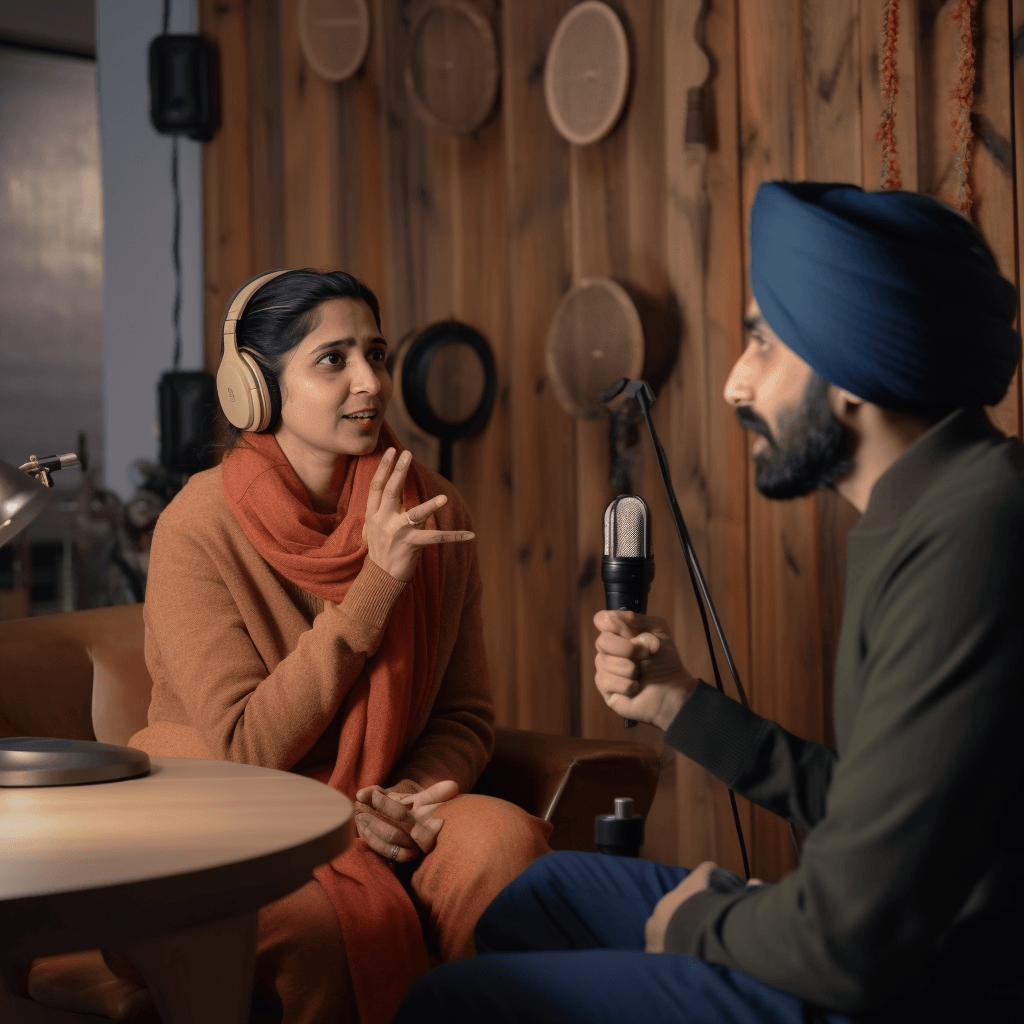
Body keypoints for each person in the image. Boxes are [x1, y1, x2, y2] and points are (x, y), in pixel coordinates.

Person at [393, 183, 1024, 1023]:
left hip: (922, 982)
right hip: (876, 928)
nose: (734, 386)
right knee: (543, 894)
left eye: (763, 342)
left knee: (454, 1001)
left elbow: (854, 939)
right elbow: (877, 803)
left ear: (852, 365)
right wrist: (679, 703)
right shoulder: (934, 508)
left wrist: (699, 925)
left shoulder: (973, 535)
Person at [127, 270, 552, 1024]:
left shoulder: (432, 506)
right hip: (236, 806)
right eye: (333, 360)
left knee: (506, 849)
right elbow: (247, 746)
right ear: (255, 389)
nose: (371, 383)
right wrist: (374, 588)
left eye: (376, 354)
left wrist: (402, 800)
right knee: (324, 926)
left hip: (388, 793)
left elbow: (463, 715)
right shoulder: (195, 527)